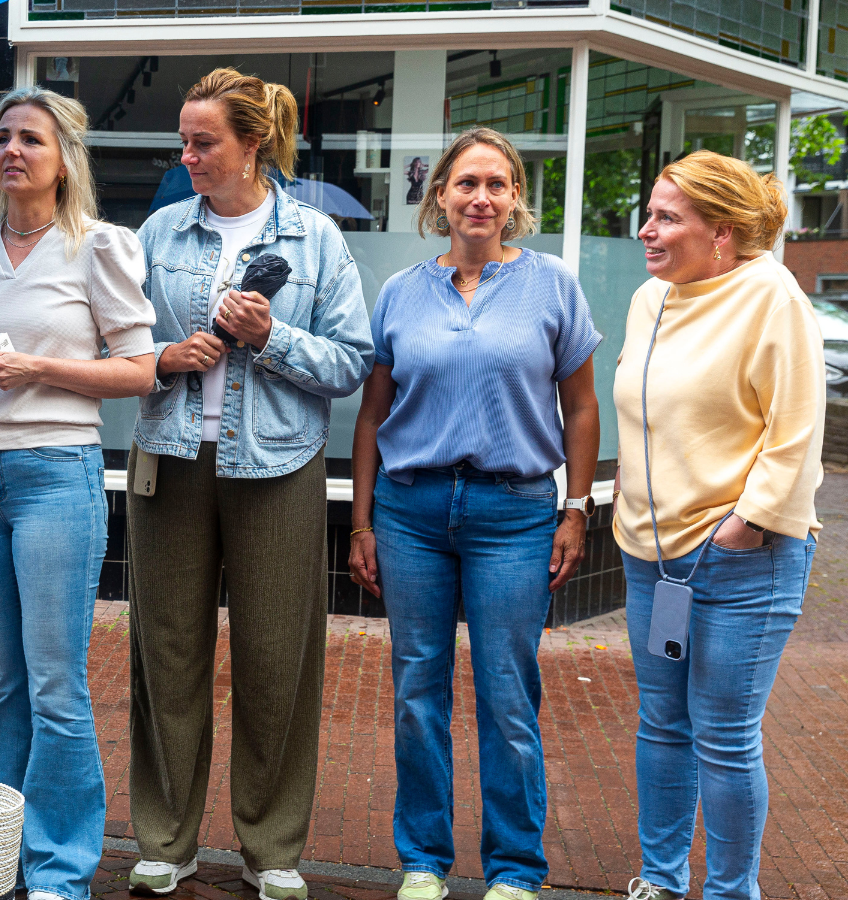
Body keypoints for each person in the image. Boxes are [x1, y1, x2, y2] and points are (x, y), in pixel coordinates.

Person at [125, 68, 372, 900]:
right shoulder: (158, 232)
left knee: (277, 659)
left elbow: (352, 363)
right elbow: (120, 347)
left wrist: (272, 337)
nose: (187, 156)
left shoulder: (315, 239)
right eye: (184, 142)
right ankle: (166, 839)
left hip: (278, 464)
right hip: (168, 455)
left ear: (251, 144)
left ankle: (272, 849)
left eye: (205, 143)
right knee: (166, 654)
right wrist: (163, 359)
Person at [347, 127, 602, 900]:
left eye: (496, 184)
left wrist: (577, 508)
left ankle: (515, 870)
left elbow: (583, 409)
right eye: (466, 184)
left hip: (515, 513)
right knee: (417, 690)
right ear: (441, 198)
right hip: (412, 511)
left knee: (507, 692)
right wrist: (360, 523)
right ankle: (423, 861)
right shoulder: (400, 292)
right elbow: (369, 419)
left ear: (516, 196)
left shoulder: (553, 285)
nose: (480, 198)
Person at [0, 86, 155, 900]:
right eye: (3, 138)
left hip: (57, 471)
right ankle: (2, 856)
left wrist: (40, 369)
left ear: (64, 160)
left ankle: (59, 869)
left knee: (56, 683)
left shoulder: (98, 247)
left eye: (31, 139)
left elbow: (140, 370)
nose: (12, 151)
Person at [613, 150, 822, 900]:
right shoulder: (651, 298)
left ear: (723, 233)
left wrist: (748, 524)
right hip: (651, 554)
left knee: (725, 739)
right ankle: (662, 881)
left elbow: (794, 432)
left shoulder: (772, 296)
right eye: (650, 213)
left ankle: (733, 892)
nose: (647, 230)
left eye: (668, 217)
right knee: (661, 726)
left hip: (742, 560)